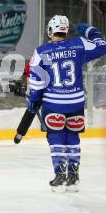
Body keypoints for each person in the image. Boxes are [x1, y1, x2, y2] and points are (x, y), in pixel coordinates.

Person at [28, 15, 106, 192]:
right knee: (72, 137)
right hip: (76, 102)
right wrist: (90, 31)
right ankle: (73, 176)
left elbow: (37, 82)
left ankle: (60, 175)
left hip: (53, 103)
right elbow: (103, 47)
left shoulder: (42, 51)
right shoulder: (79, 44)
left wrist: (34, 101)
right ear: (66, 30)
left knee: (55, 137)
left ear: (50, 31)